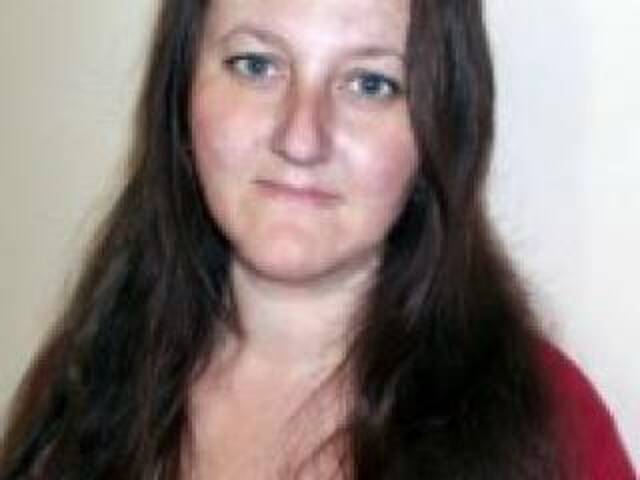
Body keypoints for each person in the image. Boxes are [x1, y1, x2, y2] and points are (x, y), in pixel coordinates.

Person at [0, 0, 634, 478]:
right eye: (256, 65)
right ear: (182, 95)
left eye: (370, 84)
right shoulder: (80, 386)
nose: (301, 138)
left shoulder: (551, 427)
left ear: (439, 126)